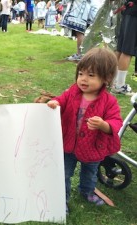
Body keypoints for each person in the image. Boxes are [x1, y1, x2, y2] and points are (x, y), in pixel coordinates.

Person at [46, 48, 123, 214]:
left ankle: (87, 192)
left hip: (93, 147)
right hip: (68, 144)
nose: (83, 79)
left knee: (90, 173)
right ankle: (62, 200)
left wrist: (103, 125)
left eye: (91, 75)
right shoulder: (73, 92)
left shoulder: (109, 101)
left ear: (106, 78)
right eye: (81, 74)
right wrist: (55, 103)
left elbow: (116, 122)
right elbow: (61, 100)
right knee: (64, 174)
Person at [112, 0, 137, 95]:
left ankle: (112, 80)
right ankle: (119, 85)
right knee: (127, 50)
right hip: (134, 13)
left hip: (128, 11)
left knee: (121, 48)